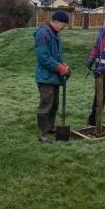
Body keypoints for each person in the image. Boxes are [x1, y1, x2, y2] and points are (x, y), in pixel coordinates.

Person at [34, 10, 71, 144]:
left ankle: (50, 127)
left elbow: (56, 55)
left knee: (54, 104)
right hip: (45, 76)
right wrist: (60, 68)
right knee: (46, 105)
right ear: (56, 21)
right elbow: (43, 57)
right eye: (64, 25)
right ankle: (42, 134)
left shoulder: (55, 34)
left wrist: (63, 64)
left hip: (54, 76)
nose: (64, 28)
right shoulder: (43, 33)